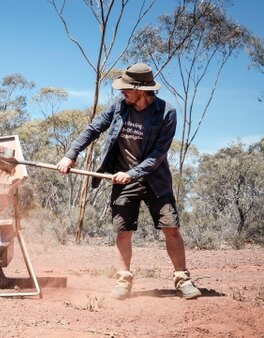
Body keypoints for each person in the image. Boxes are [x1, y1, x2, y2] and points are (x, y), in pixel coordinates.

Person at [56, 63, 201, 300]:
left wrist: (133, 173)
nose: (122, 92)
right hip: (123, 181)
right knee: (123, 232)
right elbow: (93, 129)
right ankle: (123, 280)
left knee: (171, 228)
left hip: (155, 180)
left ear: (141, 89)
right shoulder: (117, 105)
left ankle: (182, 279)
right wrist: (71, 154)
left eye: (126, 88)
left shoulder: (167, 113)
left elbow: (158, 154)